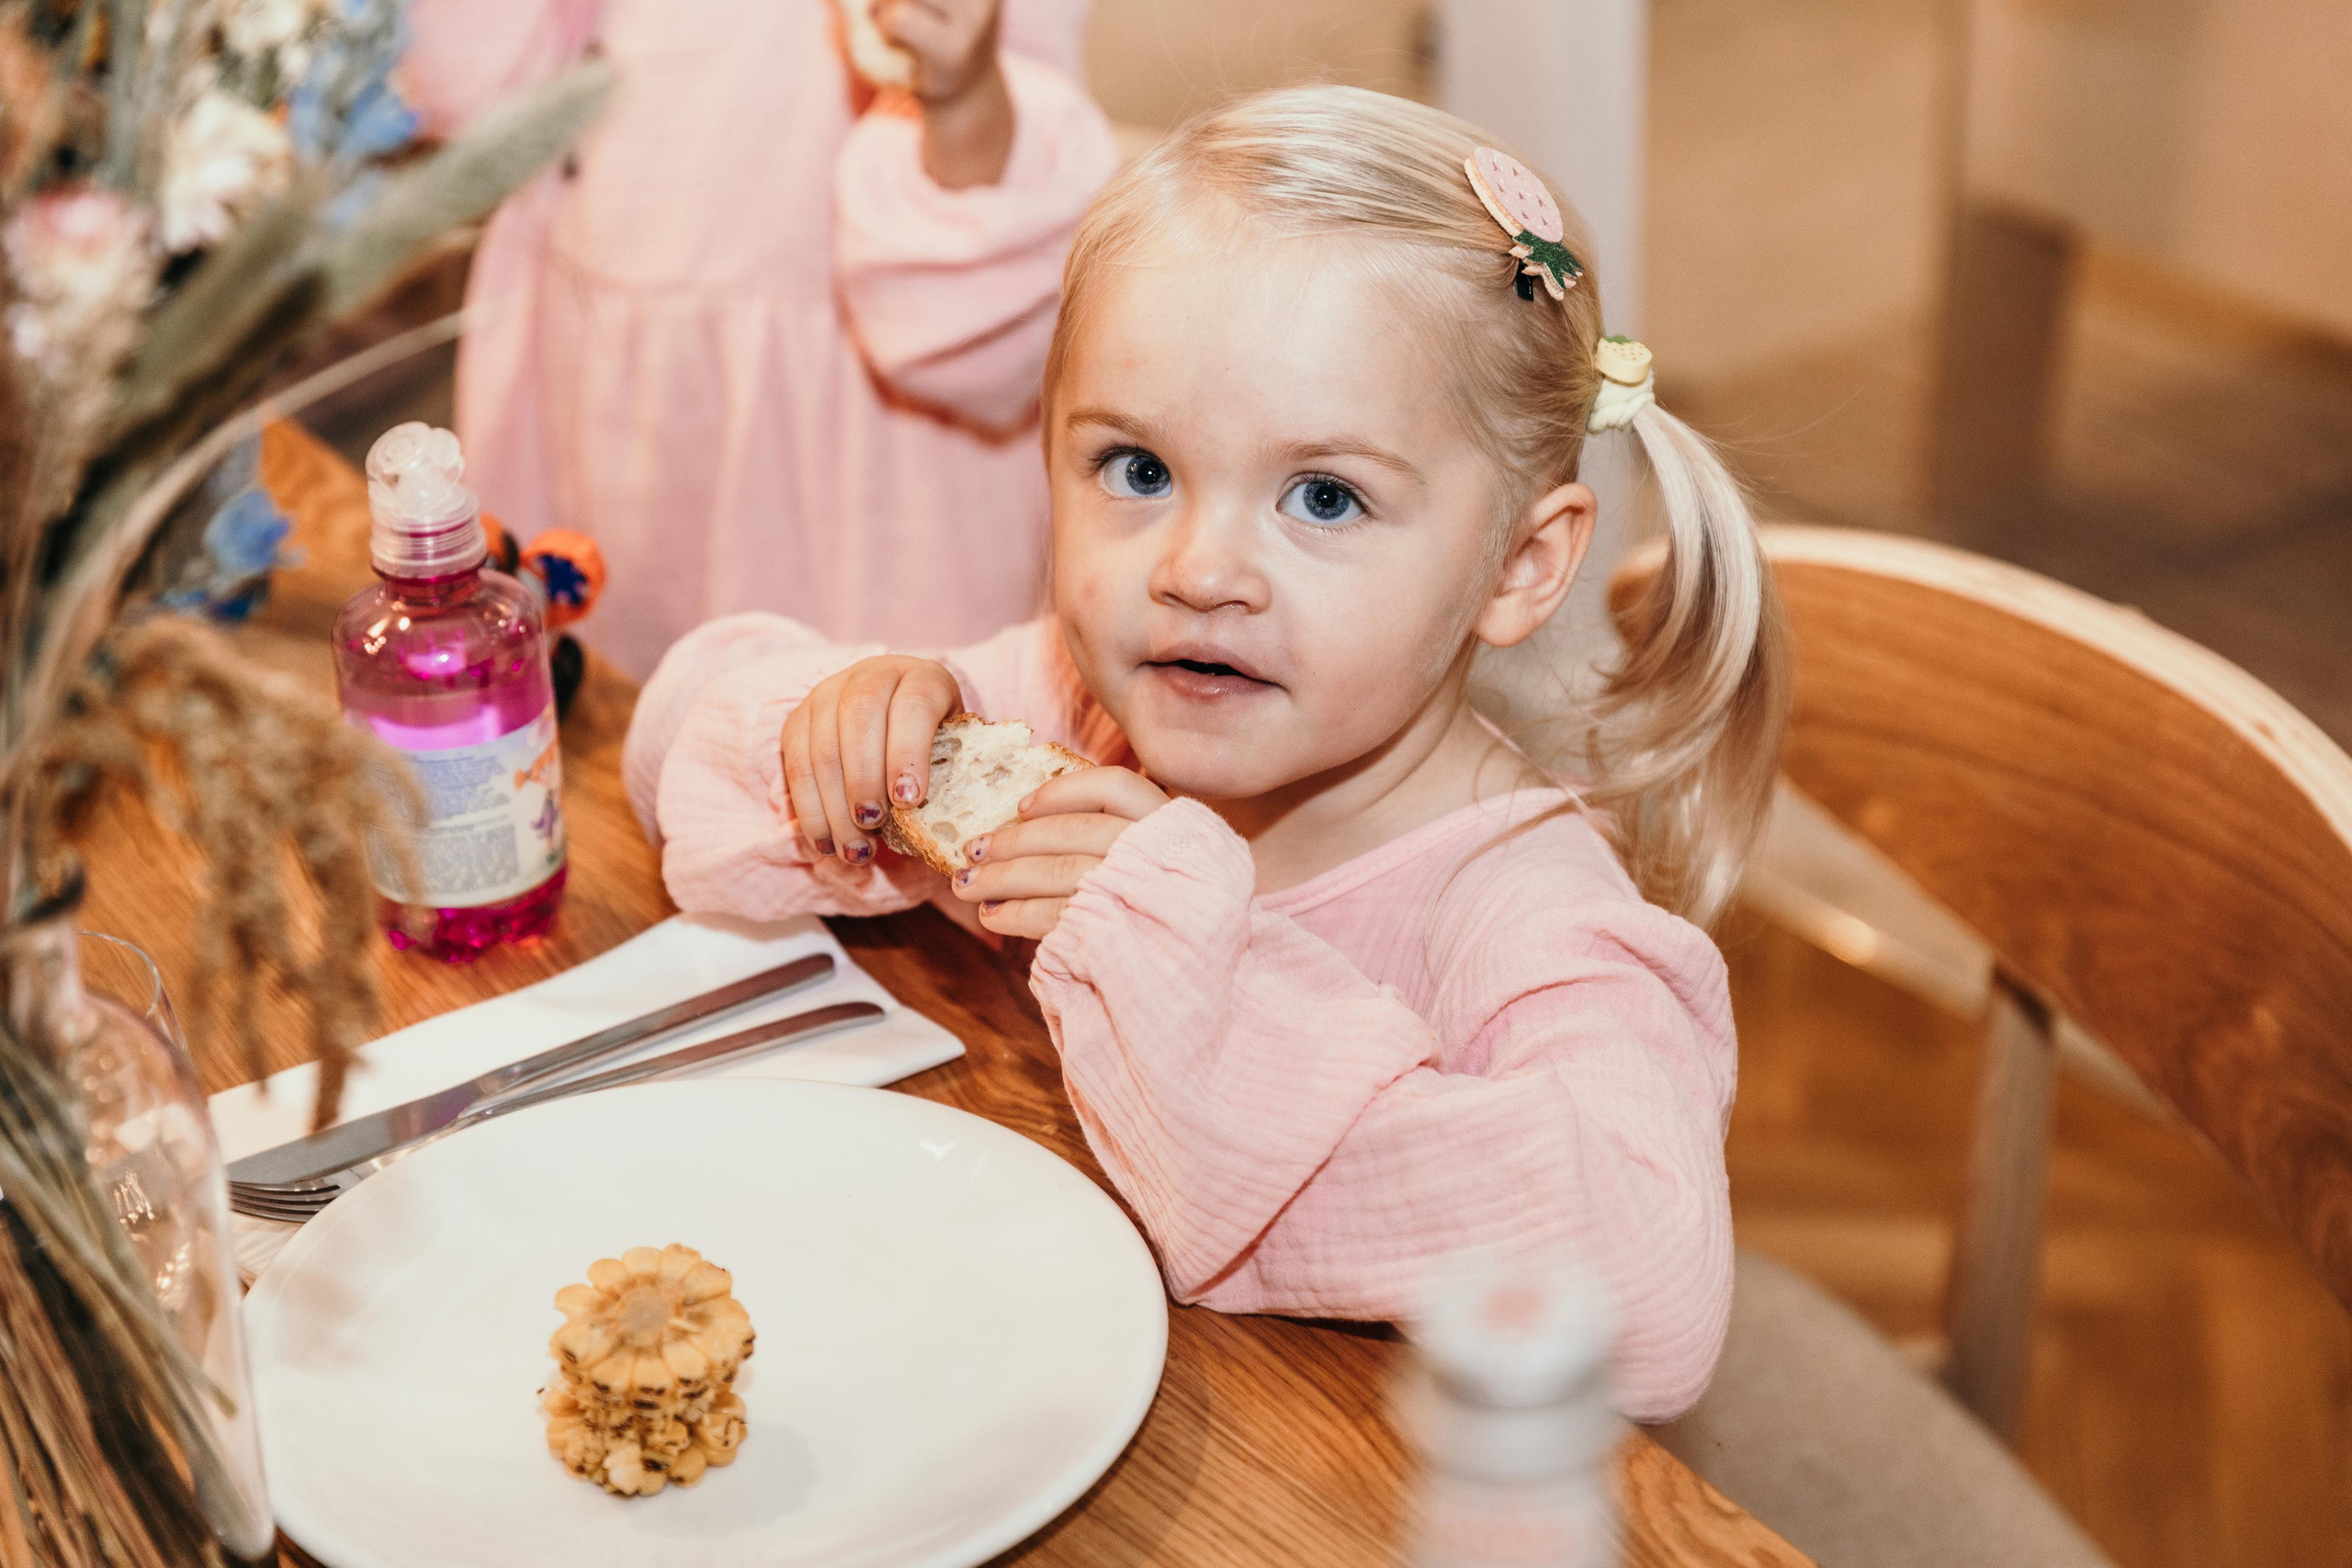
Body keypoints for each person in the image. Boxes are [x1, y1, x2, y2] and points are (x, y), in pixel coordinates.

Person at [621, 86, 1788, 1420]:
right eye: (1136, 469)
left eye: (1324, 497)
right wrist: (837, 730)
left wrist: (1188, 957)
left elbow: (1655, 1290)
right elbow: (667, 737)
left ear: (1520, 564)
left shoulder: (1522, 907)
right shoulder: (1066, 710)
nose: (1199, 569)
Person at [397, 0, 1118, 678]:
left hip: (862, 473)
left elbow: (1002, 323)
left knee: (862, 761)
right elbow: (464, 90)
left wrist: (961, 97)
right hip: (593, 416)